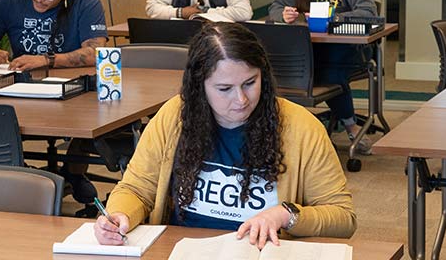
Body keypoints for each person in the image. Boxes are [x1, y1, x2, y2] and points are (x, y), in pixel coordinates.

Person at [95, 22, 356, 248]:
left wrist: (287, 215)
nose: (241, 99)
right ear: (200, 87)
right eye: (224, 88)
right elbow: (136, 189)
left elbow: (343, 218)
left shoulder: (302, 128)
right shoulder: (174, 115)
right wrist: (119, 215)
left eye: (250, 83)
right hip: (182, 250)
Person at [0, 0, 110, 214]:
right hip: (20, 91)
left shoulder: (84, 1)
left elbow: (95, 52)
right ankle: (21, 177)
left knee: (94, 113)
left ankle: (73, 173)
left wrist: (46, 59)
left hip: (74, 94)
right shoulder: (11, 0)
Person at [266, 0, 379, 152]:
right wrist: (284, 14)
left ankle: (350, 126)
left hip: (347, 49)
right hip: (312, 49)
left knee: (327, 72)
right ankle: (290, 131)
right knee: (289, 70)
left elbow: (369, 11)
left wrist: (333, 17)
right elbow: (275, 7)